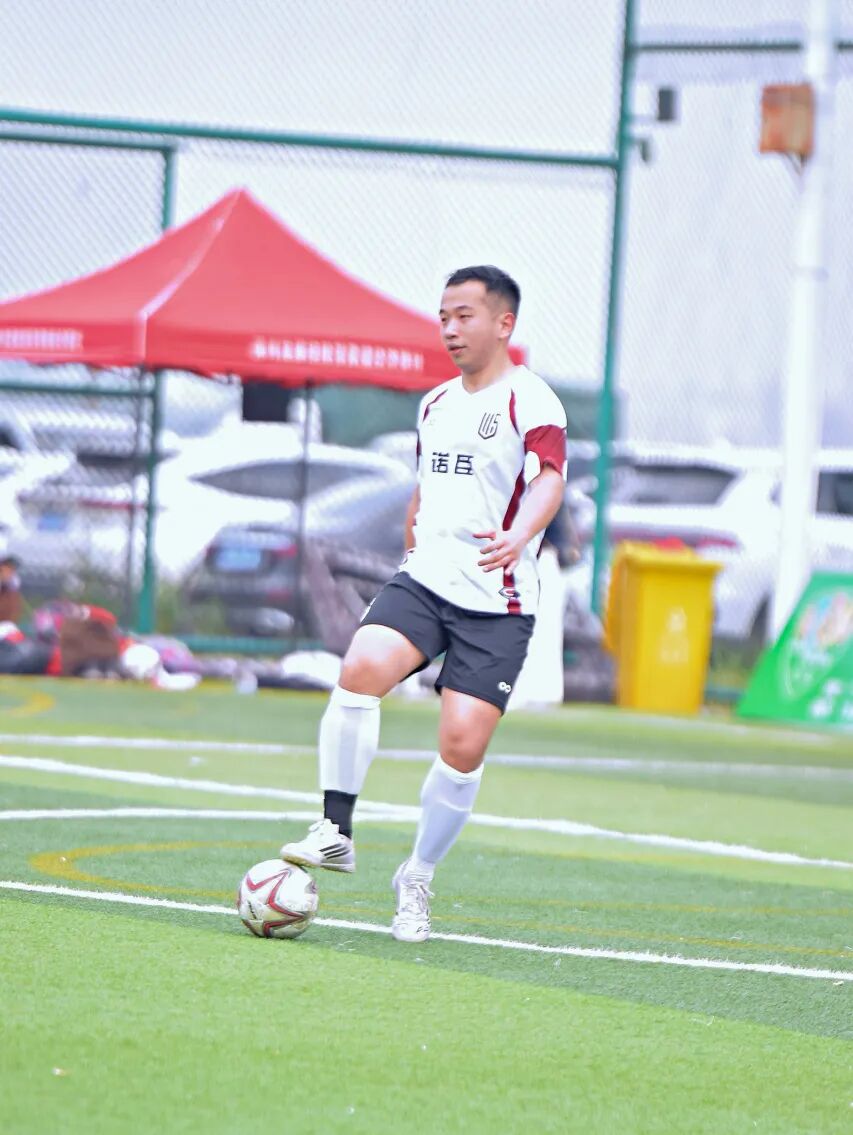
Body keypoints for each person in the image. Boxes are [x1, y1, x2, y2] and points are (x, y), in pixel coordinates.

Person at [280, 265, 567, 942]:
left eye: (464, 315)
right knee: (361, 667)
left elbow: (549, 480)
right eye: (443, 317)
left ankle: (417, 875)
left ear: (503, 323)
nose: (450, 329)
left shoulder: (532, 400)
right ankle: (335, 829)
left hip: (498, 601)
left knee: (462, 744)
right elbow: (423, 488)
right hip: (426, 581)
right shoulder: (435, 403)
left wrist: (520, 534)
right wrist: (412, 542)